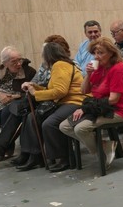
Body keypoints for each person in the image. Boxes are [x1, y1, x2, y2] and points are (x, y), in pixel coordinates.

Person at [60, 37, 123, 167]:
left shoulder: (118, 69)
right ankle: (104, 146)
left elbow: (113, 100)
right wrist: (88, 74)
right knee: (64, 126)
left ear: (111, 53)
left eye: (101, 53)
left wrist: (86, 109)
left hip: (116, 110)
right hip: (98, 107)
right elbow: (83, 90)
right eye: (94, 53)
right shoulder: (99, 68)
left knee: (80, 129)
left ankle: (101, 150)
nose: (96, 56)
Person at [18, 42, 85, 172]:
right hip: (65, 101)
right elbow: (52, 88)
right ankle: (35, 156)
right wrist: (34, 86)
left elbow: (60, 91)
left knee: (50, 123)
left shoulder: (60, 65)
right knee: (32, 117)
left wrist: (35, 93)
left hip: (75, 102)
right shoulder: (60, 65)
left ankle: (64, 159)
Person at [0, 46, 36, 161]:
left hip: (18, 103)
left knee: (5, 112)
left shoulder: (29, 72)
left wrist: (12, 97)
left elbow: (33, 92)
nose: (18, 64)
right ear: (5, 63)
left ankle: (4, 150)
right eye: (14, 62)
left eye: (20, 60)